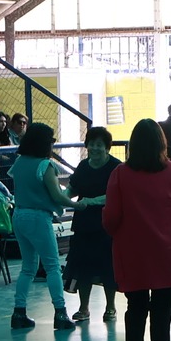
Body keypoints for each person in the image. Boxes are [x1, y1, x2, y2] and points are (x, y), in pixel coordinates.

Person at [104, 118, 171, 341]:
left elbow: (111, 219)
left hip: (133, 253)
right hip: (167, 254)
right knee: (163, 313)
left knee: (136, 308)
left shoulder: (120, 174)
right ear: (162, 143)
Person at [3, 122, 76, 331]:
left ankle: (19, 312)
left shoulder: (19, 162)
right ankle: (60, 313)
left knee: (28, 267)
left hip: (19, 215)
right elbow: (56, 195)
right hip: (38, 217)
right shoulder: (45, 165)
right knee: (53, 266)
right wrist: (78, 203)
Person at [63, 127, 118, 322]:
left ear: (107, 148)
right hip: (83, 224)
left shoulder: (115, 167)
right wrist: (61, 198)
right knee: (82, 267)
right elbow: (72, 188)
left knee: (108, 266)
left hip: (107, 225)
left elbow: (116, 195)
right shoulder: (83, 166)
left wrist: (90, 201)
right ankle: (83, 308)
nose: (94, 148)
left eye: (99, 145)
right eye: (91, 144)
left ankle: (110, 307)